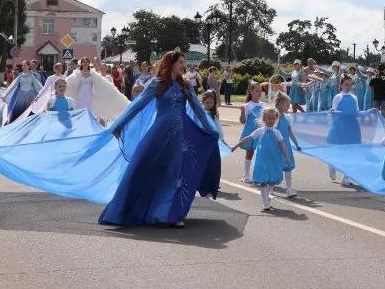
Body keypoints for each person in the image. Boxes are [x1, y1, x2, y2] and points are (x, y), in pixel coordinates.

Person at [99, 50, 220, 227]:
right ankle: (130, 210)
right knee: (145, 169)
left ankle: (170, 214)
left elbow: (198, 109)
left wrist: (212, 129)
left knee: (174, 173)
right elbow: (137, 105)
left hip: (179, 135)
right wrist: (118, 124)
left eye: (183, 62)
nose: (182, 65)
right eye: (180, 62)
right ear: (171, 63)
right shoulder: (157, 83)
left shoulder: (185, 85)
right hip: (158, 133)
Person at [231, 107, 291, 211]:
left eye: (273, 118)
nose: (271, 121)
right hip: (262, 160)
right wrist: (236, 145)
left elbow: (283, 145)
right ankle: (265, 203)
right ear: (264, 119)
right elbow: (248, 138)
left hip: (273, 160)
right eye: (269, 118)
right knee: (263, 181)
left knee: (273, 180)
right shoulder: (260, 131)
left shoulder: (277, 132)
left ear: (276, 119)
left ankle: (266, 193)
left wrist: (287, 156)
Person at [327, 75, 361, 185]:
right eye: (346, 84)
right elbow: (334, 112)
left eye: (351, 84)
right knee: (339, 151)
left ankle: (346, 177)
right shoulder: (338, 97)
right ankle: (332, 164)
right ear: (341, 85)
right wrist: (332, 113)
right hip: (341, 126)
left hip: (352, 126)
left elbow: (357, 112)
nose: (349, 86)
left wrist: (370, 112)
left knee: (350, 152)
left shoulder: (354, 97)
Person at [273, 91, 301, 198]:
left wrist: (296, 144)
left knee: (288, 168)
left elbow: (290, 132)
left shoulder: (288, 117)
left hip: (286, 146)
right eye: (287, 105)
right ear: (280, 104)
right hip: (276, 146)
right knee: (276, 167)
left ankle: (289, 190)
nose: (288, 107)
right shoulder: (274, 116)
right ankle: (271, 187)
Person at [237, 81, 264, 183]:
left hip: (262, 133)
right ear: (251, 91)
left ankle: (260, 175)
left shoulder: (264, 105)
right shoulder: (247, 106)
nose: (259, 93)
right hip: (251, 133)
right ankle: (246, 175)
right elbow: (243, 121)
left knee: (262, 154)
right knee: (250, 153)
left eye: (260, 91)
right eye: (257, 91)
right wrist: (242, 112)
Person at [2, 60, 44, 124]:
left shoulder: (32, 75)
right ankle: (18, 123)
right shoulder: (20, 76)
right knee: (19, 110)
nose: (23, 67)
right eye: (22, 65)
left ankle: (28, 124)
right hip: (21, 95)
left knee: (28, 111)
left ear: (28, 66)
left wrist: (43, 93)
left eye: (25, 65)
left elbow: (37, 85)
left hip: (30, 95)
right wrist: (5, 95)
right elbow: (12, 86)